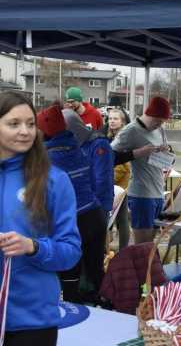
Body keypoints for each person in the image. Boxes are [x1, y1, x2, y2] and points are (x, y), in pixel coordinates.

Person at [0, 91, 81, 346]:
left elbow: (70, 252)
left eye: (31, 124)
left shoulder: (54, 180)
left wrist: (33, 247)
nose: (25, 131)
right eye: (14, 123)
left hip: (32, 322)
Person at [37, 104, 108, 303]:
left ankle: (73, 325)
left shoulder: (47, 159)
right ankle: (104, 312)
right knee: (95, 275)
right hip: (95, 216)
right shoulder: (76, 148)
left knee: (69, 281)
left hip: (73, 221)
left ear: (45, 133)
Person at [111, 96, 172, 244]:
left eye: (163, 122)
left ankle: (148, 268)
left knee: (150, 245)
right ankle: (137, 267)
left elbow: (170, 156)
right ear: (151, 115)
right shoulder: (130, 131)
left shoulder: (160, 130)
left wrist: (166, 151)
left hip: (158, 192)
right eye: (158, 121)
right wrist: (136, 153)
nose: (160, 125)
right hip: (141, 195)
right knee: (142, 246)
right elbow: (108, 156)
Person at [62, 109, 114, 217]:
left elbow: (102, 179)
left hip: (97, 205)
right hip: (82, 204)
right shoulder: (76, 145)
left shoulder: (99, 144)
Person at [106, 108, 131, 250]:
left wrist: (107, 179)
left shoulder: (123, 139)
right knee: (115, 218)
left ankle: (123, 250)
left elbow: (123, 166)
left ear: (122, 122)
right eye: (110, 118)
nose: (112, 121)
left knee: (121, 220)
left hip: (119, 184)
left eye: (115, 119)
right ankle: (108, 248)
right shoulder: (109, 137)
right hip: (112, 183)